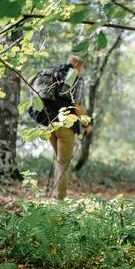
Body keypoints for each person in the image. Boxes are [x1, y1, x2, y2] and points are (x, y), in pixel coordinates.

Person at [49, 55, 92, 200]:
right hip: (66, 125)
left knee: (59, 161)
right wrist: (86, 125)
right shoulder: (78, 81)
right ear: (79, 68)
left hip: (50, 122)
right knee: (63, 164)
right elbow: (78, 106)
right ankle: (59, 202)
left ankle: (55, 197)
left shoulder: (55, 76)